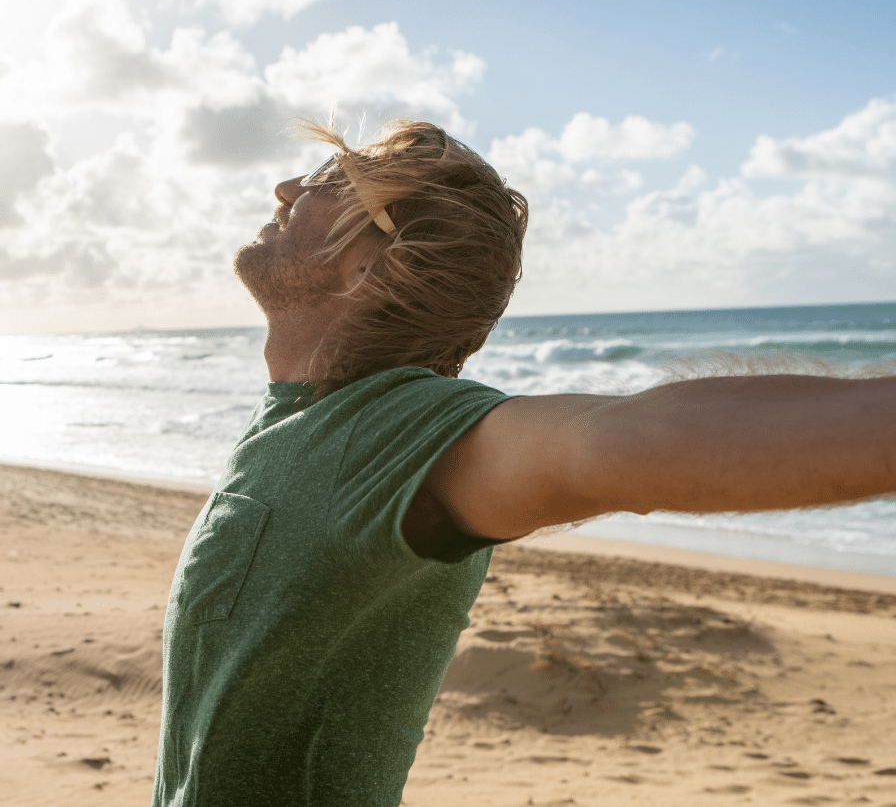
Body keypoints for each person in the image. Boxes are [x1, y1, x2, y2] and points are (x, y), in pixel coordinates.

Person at [151, 118, 896, 806]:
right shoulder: (300, 419)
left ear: (371, 263)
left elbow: (607, 443)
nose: (286, 189)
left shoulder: (392, 433)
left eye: (326, 180)